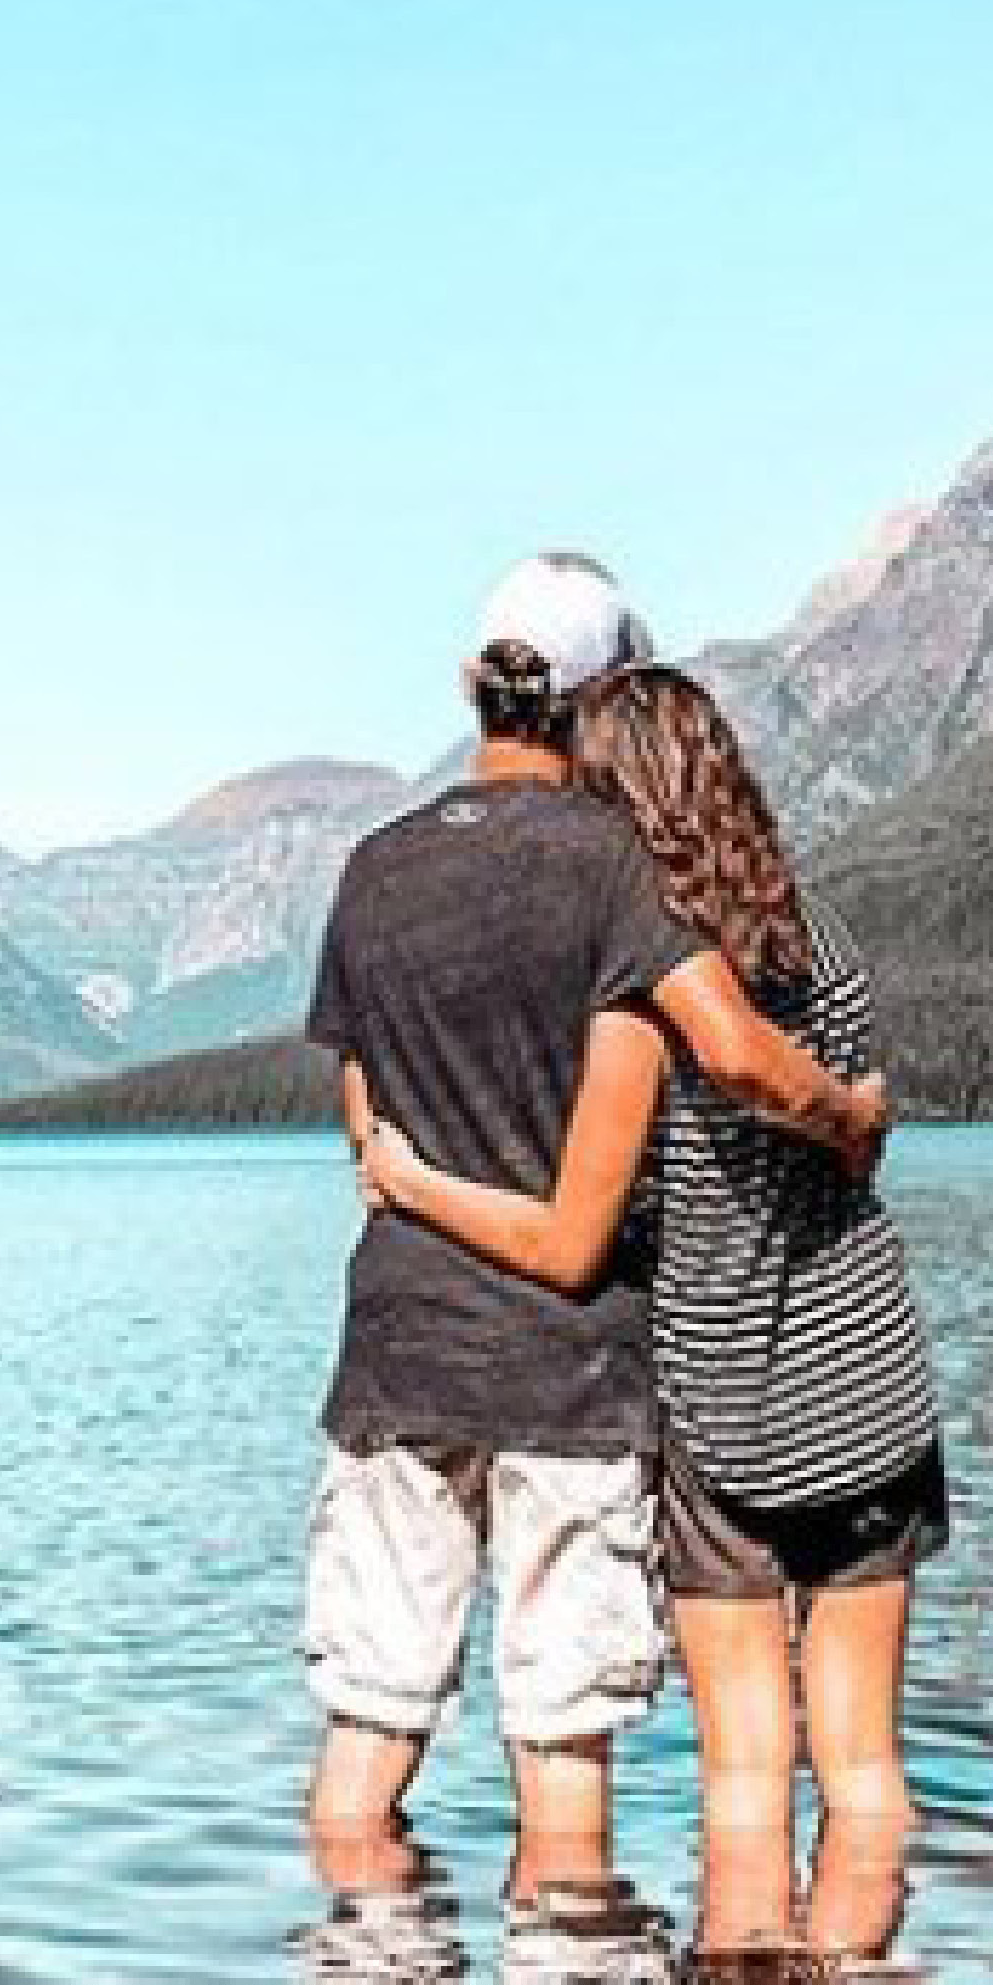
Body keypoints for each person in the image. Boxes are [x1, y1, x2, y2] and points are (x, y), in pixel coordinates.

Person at [352, 659, 944, 1972]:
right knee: (863, 1771)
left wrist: (411, 1180)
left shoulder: (640, 1002)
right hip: (869, 1386)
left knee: (743, 1779)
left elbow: (585, 1229)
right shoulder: (821, 940)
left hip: (723, 1406)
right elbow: (836, 1125)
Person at [290, 554, 771, 1914]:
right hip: (567, 1369)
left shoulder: (372, 869)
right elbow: (709, 1064)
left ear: (471, 685)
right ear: (606, 694)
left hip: (399, 1352)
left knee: (365, 1739)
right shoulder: (626, 869)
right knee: (560, 1764)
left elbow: (366, 1130)